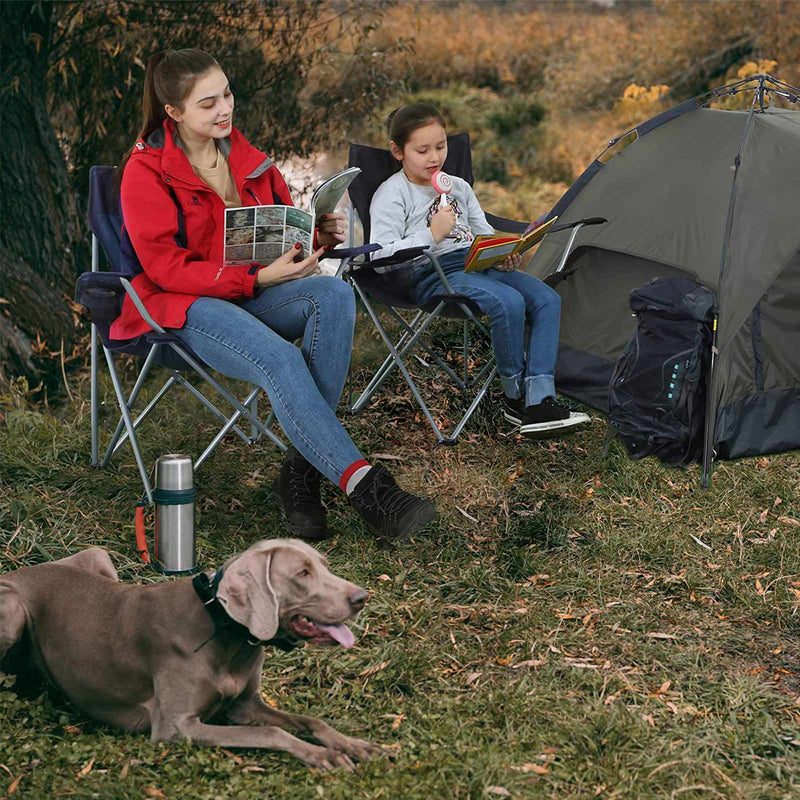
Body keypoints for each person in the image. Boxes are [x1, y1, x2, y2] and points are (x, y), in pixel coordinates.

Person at [114, 49, 436, 545]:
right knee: (279, 358)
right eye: (207, 104)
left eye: (227, 93)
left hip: (251, 289)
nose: (224, 109)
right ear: (174, 113)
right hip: (183, 305)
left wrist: (318, 239)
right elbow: (164, 267)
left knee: (332, 294)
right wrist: (256, 280)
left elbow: (284, 236)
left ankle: (300, 475)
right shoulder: (146, 172)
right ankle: (367, 488)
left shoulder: (247, 157)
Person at [369, 103, 590, 438]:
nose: (434, 158)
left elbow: (482, 232)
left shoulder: (457, 186)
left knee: (546, 299)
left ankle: (540, 398)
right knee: (509, 302)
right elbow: (381, 254)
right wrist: (432, 233)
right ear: (398, 151)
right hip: (433, 274)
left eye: (441, 147)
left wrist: (501, 253)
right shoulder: (393, 194)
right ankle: (516, 401)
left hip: (477, 264)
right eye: (422, 150)